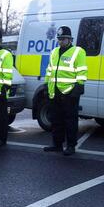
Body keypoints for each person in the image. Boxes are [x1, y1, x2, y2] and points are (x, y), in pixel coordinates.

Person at [43, 26, 88, 156]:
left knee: (70, 121)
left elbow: (82, 71)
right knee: (56, 119)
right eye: (59, 39)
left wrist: (78, 88)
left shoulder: (77, 51)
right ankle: (57, 144)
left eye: (63, 39)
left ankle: (71, 146)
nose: (61, 41)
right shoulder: (54, 52)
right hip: (55, 91)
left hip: (70, 92)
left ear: (69, 39)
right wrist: (47, 86)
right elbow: (49, 70)